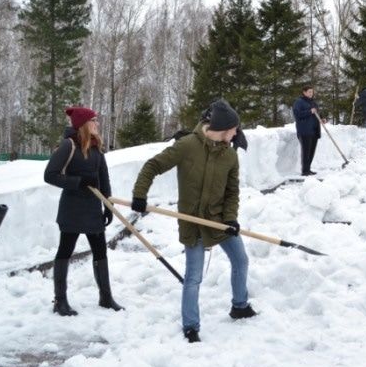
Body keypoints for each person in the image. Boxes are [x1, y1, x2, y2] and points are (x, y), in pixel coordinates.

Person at [131, 99, 255, 343]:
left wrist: (230, 218)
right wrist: (139, 195)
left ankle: (239, 305)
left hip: (220, 221)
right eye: (234, 128)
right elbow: (152, 166)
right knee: (194, 276)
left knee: (241, 260)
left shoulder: (230, 155)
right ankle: (191, 326)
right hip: (193, 222)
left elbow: (232, 192)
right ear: (223, 127)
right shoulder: (187, 145)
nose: (237, 133)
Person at [43, 107, 123, 317]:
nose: (97, 123)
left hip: (93, 208)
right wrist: (78, 182)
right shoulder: (68, 146)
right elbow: (50, 175)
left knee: (100, 251)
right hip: (73, 209)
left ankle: (105, 297)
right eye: (94, 120)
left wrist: (108, 205)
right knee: (65, 250)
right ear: (83, 124)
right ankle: (60, 301)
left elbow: (103, 177)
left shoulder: (96, 146)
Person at [293, 85, 322, 175]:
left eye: (312, 92)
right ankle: (305, 171)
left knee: (311, 151)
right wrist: (309, 112)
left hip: (314, 130)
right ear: (304, 92)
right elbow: (297, 114)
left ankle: (308, 169)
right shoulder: (299, 102)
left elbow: (317, 113)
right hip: (305, 130)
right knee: (306, 151)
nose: (311, 94)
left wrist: (321, 119)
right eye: (309, 92)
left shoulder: (313, 102)